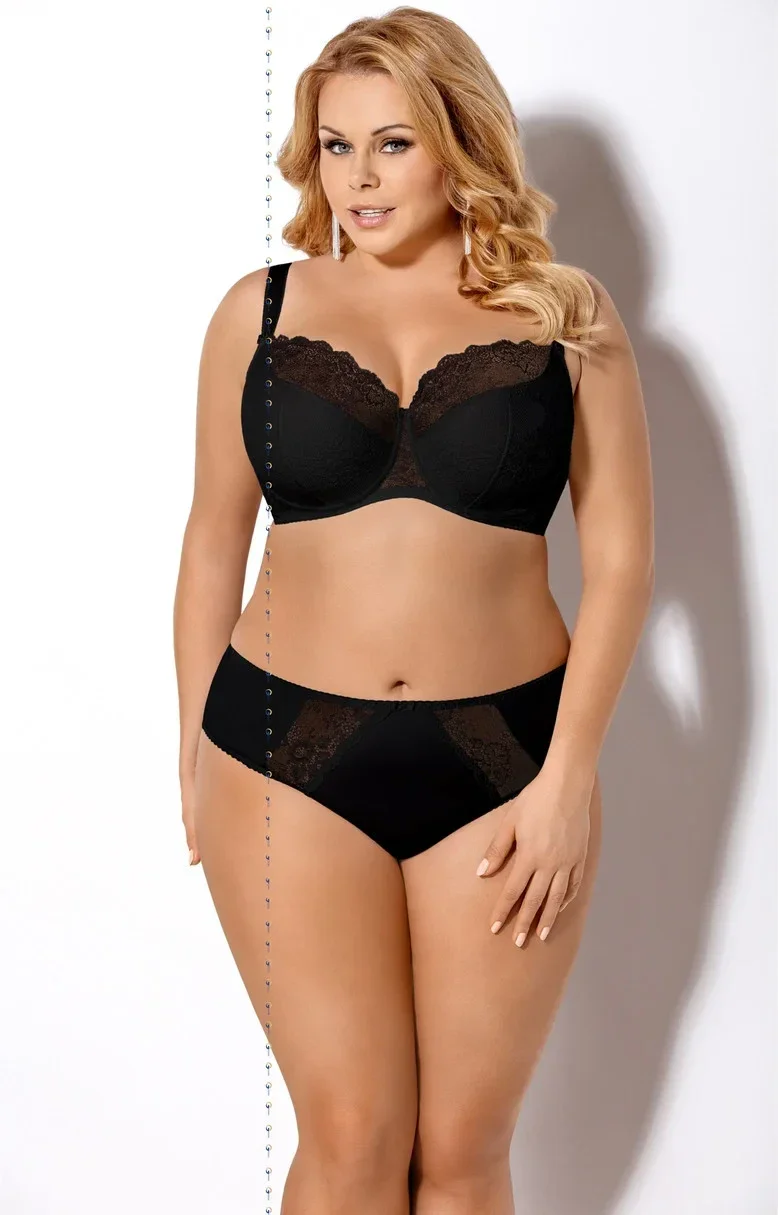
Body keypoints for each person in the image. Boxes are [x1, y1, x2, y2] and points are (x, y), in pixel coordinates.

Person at [173, 7, 654, 1212]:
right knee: (351, 1137)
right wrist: (192, 746)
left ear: (458, 139)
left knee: (463, 1154)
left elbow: (624, 563)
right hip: (279, 751)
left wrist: (567, 782)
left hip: (505, 758)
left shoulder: (567, 316)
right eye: (336, 146)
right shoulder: (258, 311)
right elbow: (213, 535)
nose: (359, 178)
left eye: (392, 143)